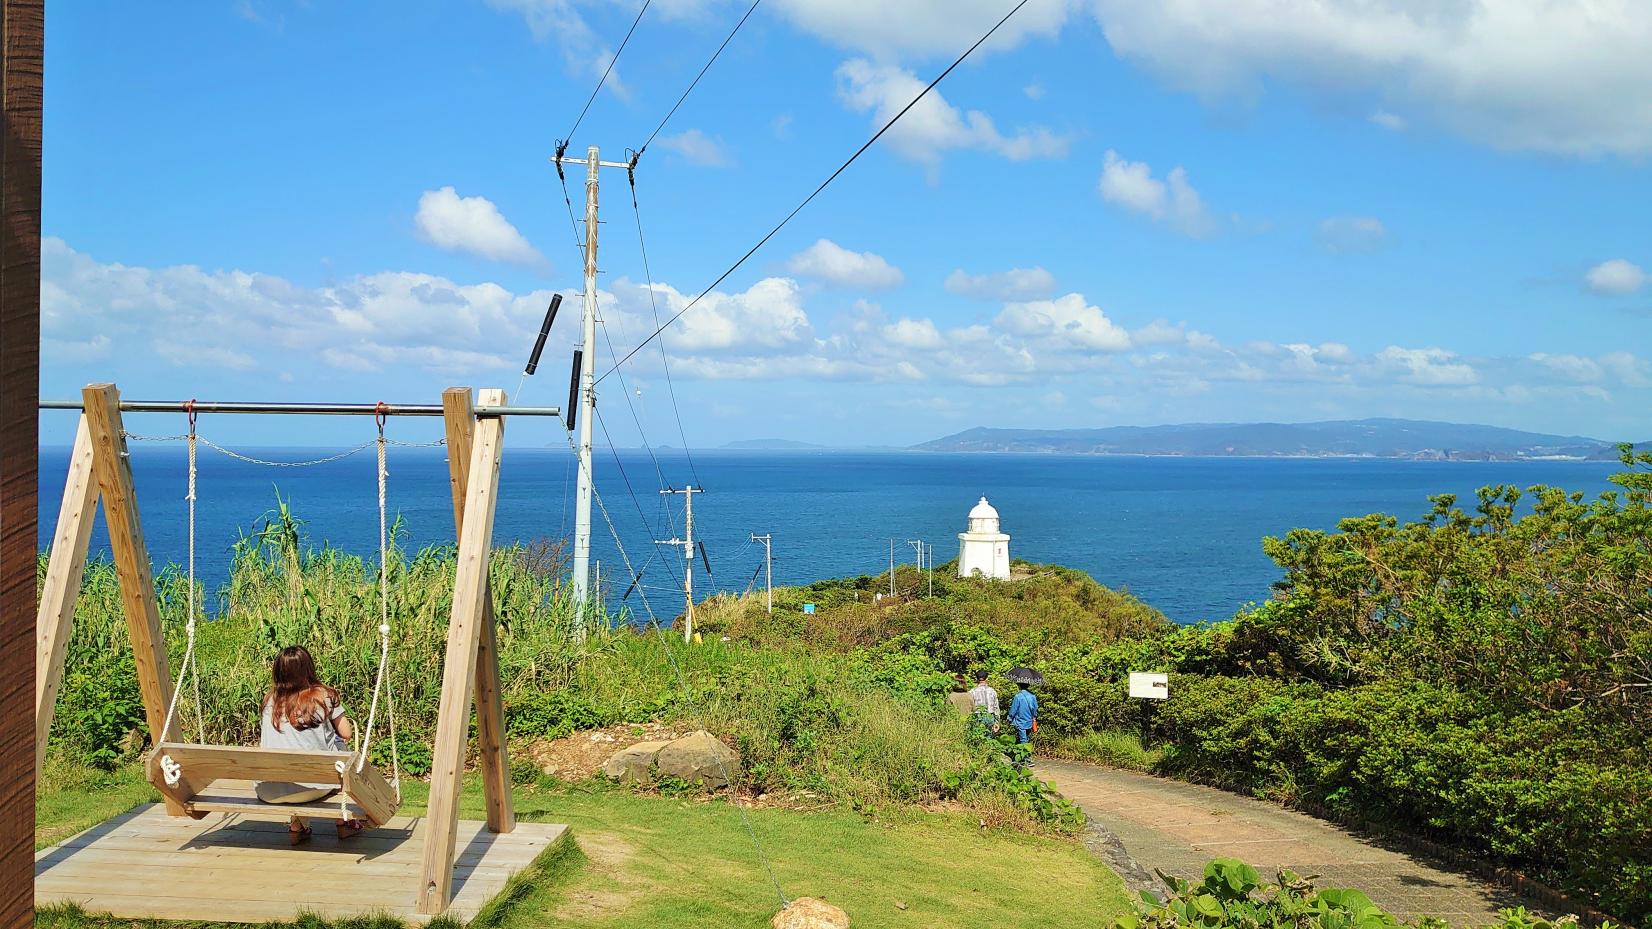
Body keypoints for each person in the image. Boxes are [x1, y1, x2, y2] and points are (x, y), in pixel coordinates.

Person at [257, 645, 365, 844]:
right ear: (309, 668)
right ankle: (343, 822)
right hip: (314, 785)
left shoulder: (269, 700)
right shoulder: (324, 695)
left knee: (292, 750)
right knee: (340, 749)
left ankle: (297, 826)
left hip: (270, 789)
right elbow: (347, 733)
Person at [1007, 681, 1038, 746]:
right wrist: (1034, 717)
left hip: (1020, 721)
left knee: (1023, 740)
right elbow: (1035, 708)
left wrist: (1009, 719)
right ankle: (1028, 753)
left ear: (1019, 686)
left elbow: (1013, 710)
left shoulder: (1018, 696)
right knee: (1028, 738)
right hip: (1029, 721)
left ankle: (1025, 755)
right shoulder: (1032, 695)